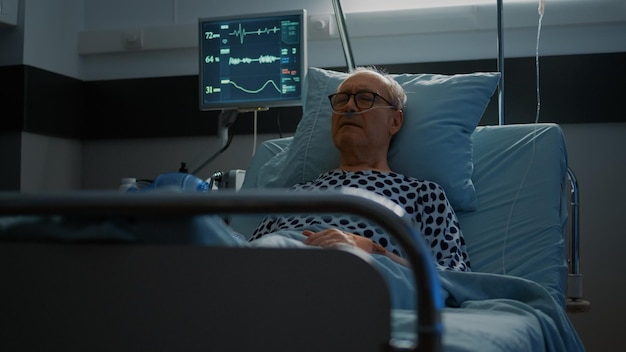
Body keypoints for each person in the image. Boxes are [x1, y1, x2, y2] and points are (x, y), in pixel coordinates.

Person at [249, 67, 470, 272]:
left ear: (395, 121)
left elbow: (454, 277)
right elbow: (242, 255)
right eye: (342, 99)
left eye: (365, 99)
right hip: (275, 267)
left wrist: (371, 249)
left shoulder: (425, 195)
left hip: (360, 273)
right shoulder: (295, 194)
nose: (349, 107)